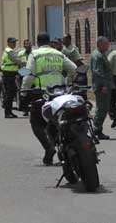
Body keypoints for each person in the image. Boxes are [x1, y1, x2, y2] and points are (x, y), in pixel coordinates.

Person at [22, 33, 77, 165]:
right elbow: (74, 69)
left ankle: (49, 147)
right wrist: (67, 82)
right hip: (60, 93)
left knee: (36, 122)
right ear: (49, 42)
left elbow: (29, 74)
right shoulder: (58, 53)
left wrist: (24, 91)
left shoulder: (35, 54)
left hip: (42, 93)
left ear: (38, 42)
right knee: (59, 120)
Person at [90, 37, 112, 140]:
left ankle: (98, 130)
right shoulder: (97, 56)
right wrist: (103, 85)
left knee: (103, 108)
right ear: (100, 44)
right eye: (106, 44)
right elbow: (98, 72)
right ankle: (95, 129)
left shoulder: (101, 54)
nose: (108, 46)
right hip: (101, 86)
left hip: (104, 85)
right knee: (102, 108)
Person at [1, 37, 26, 119]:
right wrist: (27, 62)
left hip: (11, 73)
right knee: (10, 93)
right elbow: (18, 61)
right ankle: (8, 112)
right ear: (8, 43)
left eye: (15, 42)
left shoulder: (9, 51)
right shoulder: (10, 51)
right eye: (12, 42)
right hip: (9, 74)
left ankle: (8, 112)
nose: (14, 44)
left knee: (10, 93)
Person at [18, 39, 33, 116]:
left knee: (32, 92)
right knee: (24, 93)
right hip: (23, 73)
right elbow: (18, 65)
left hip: (33, 74)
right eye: (26, 44)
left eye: (29, 44)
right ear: (24, 45)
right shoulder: (20, 54)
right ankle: (24, 109)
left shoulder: (34, 53)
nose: (28, 46)